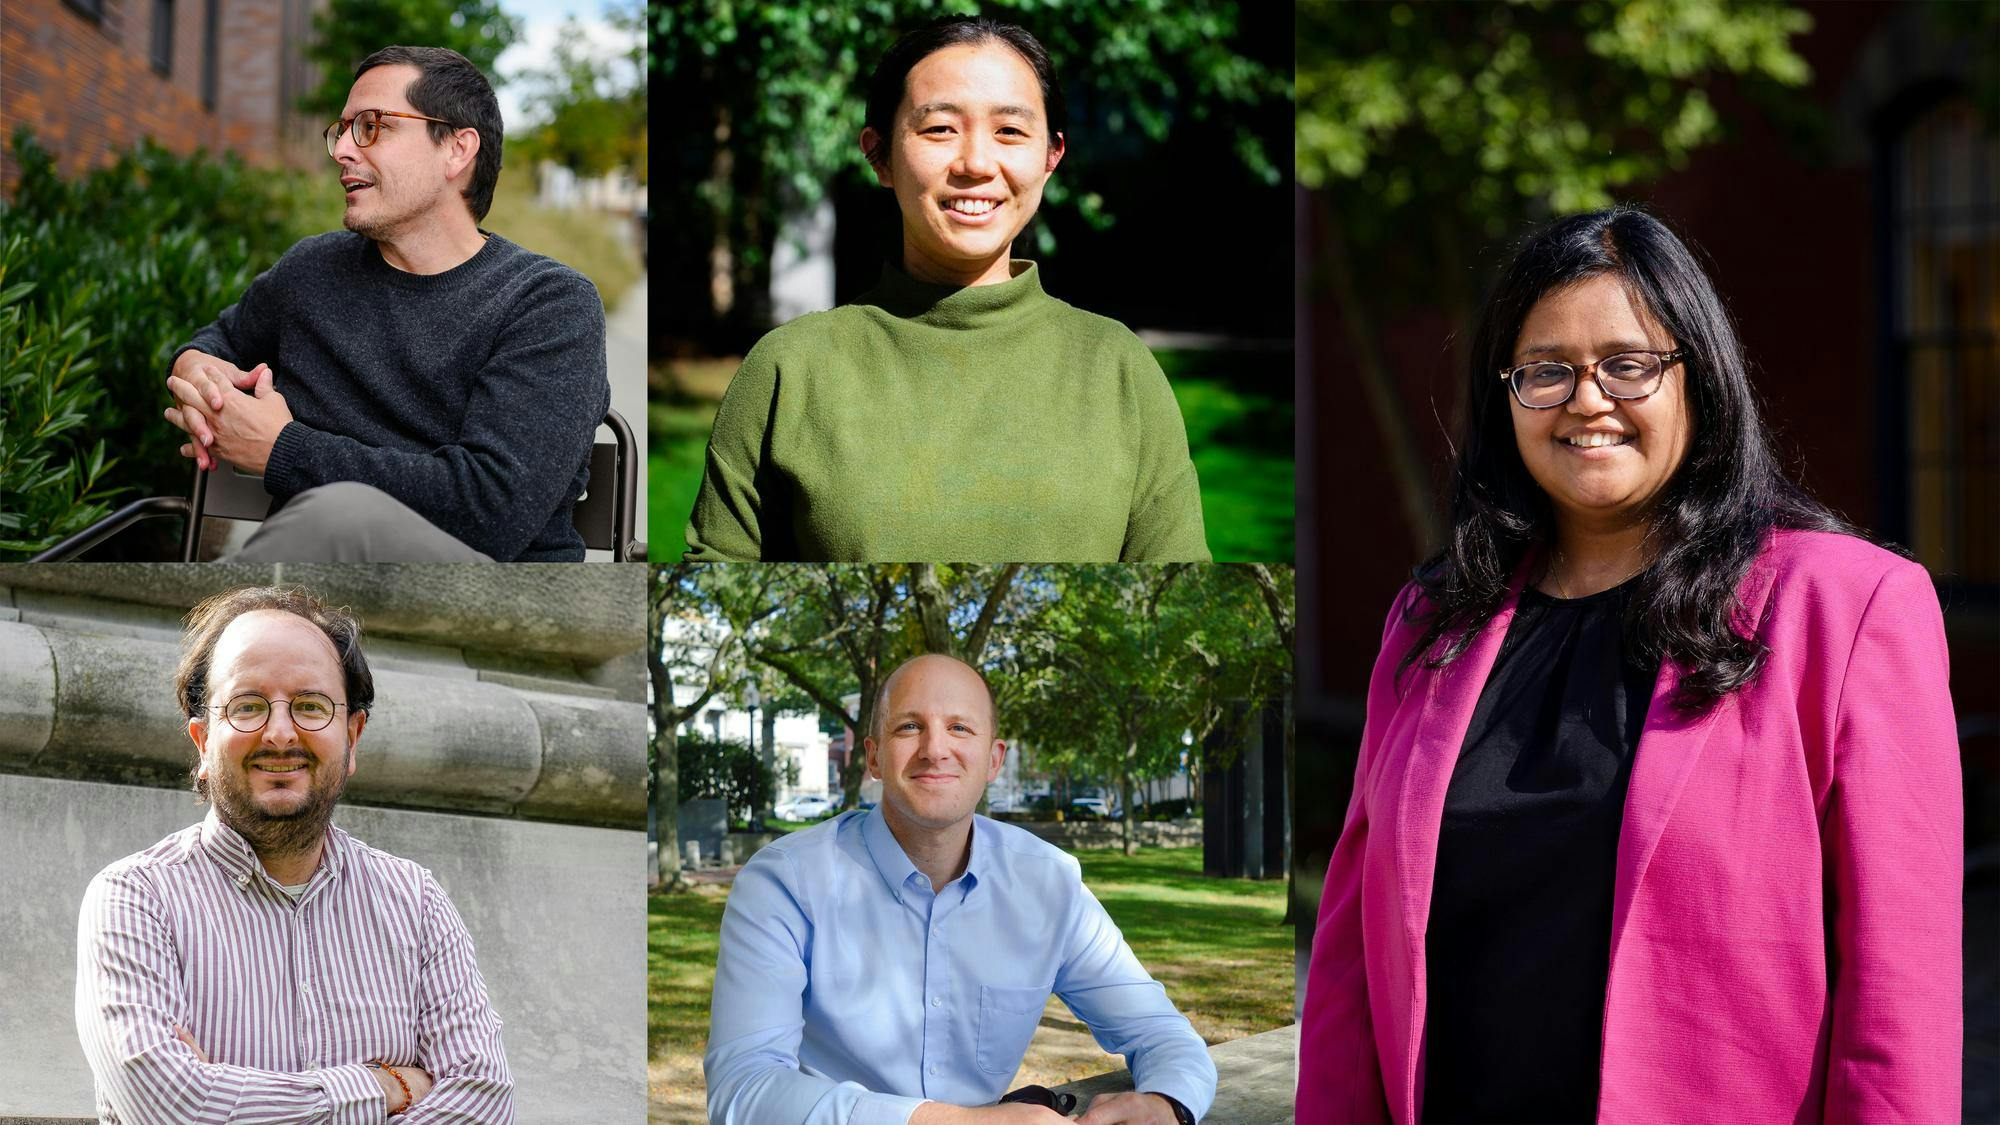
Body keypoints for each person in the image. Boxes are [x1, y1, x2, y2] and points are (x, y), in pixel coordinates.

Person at [1296, 208, 1961, 1123]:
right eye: (1547, 370)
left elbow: (1901, 994)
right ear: (1507, 396)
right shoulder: (1430, 622)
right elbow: (1348, 967)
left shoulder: (1843, 607)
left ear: (1700, 379)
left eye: (1628, 362)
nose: (1587, 398)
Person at [684, 17, 1210, 563]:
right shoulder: (788, 367)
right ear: (880, 155)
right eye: (939, 129)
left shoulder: (1119, 366)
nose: (977, 164)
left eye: (1010, 131)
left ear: (1051, 156)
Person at [705, 653, 1215, 1124]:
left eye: (959, 728)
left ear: (993, 760)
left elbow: (1162, 1032)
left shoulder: (1049, 882)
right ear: (874, 757)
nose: (935, 749)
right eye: (909, 726)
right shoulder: (785, 882)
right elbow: (742, 1089)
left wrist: (1168, 1102)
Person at [75, 586, 515, 1121]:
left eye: (310, 706)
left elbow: (484, 1100)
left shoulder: (416, 903)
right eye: (247, 707)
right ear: (202, 742)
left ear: (352, 735)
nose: (280, 733)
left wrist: (230, 1095)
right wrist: (380, 1088)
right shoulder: (134, 899)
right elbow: (175, 1107)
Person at [162, 45, 609, 562]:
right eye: (342, 129)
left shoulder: (549, 304)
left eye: (372, 126)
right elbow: (216, 341)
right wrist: (198, 373)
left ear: (457, 150)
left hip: (479, 593)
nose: (343, 151)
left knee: (340, 516)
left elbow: (491, 512)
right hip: (305, 580)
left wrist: (283, 450)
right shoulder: (312, 270)